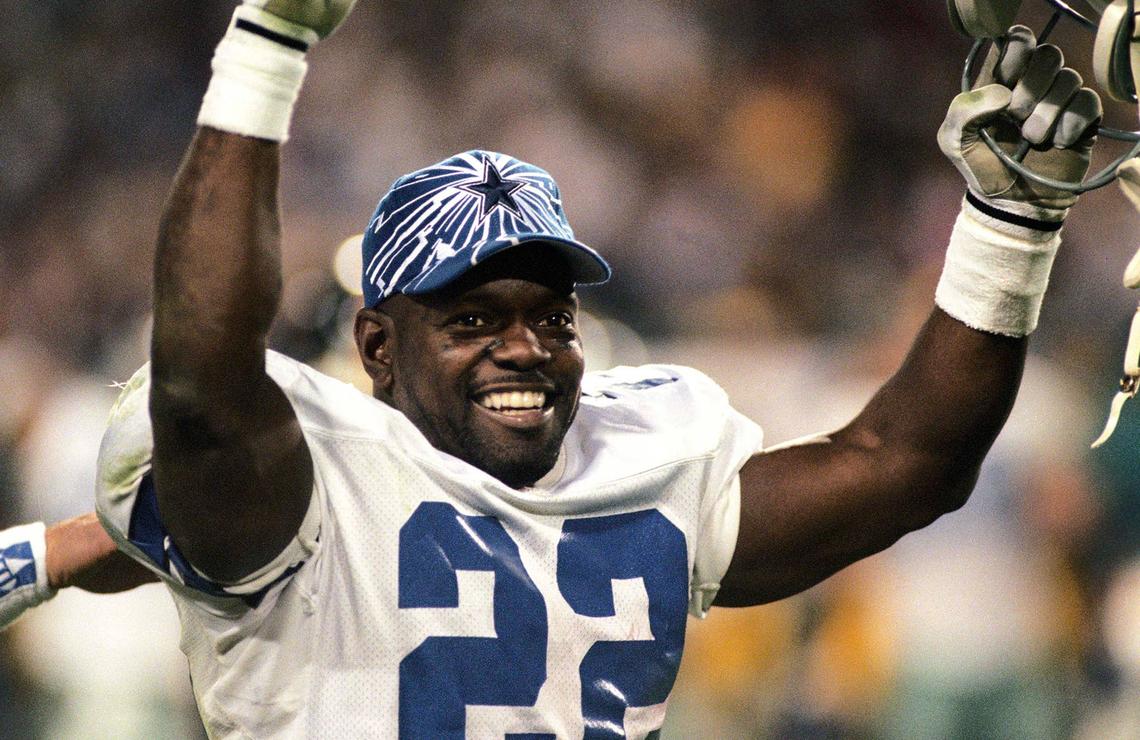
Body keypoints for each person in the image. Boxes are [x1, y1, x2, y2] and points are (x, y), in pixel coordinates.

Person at [0, 3, 1104, 738]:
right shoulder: (302, 478)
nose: (526, 345)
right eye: (475, 316)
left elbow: (905, 462)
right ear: (379, 345)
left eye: (550, 314)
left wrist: (1011, 224)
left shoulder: (640, 454)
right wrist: (267, 44)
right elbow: (198, 384)